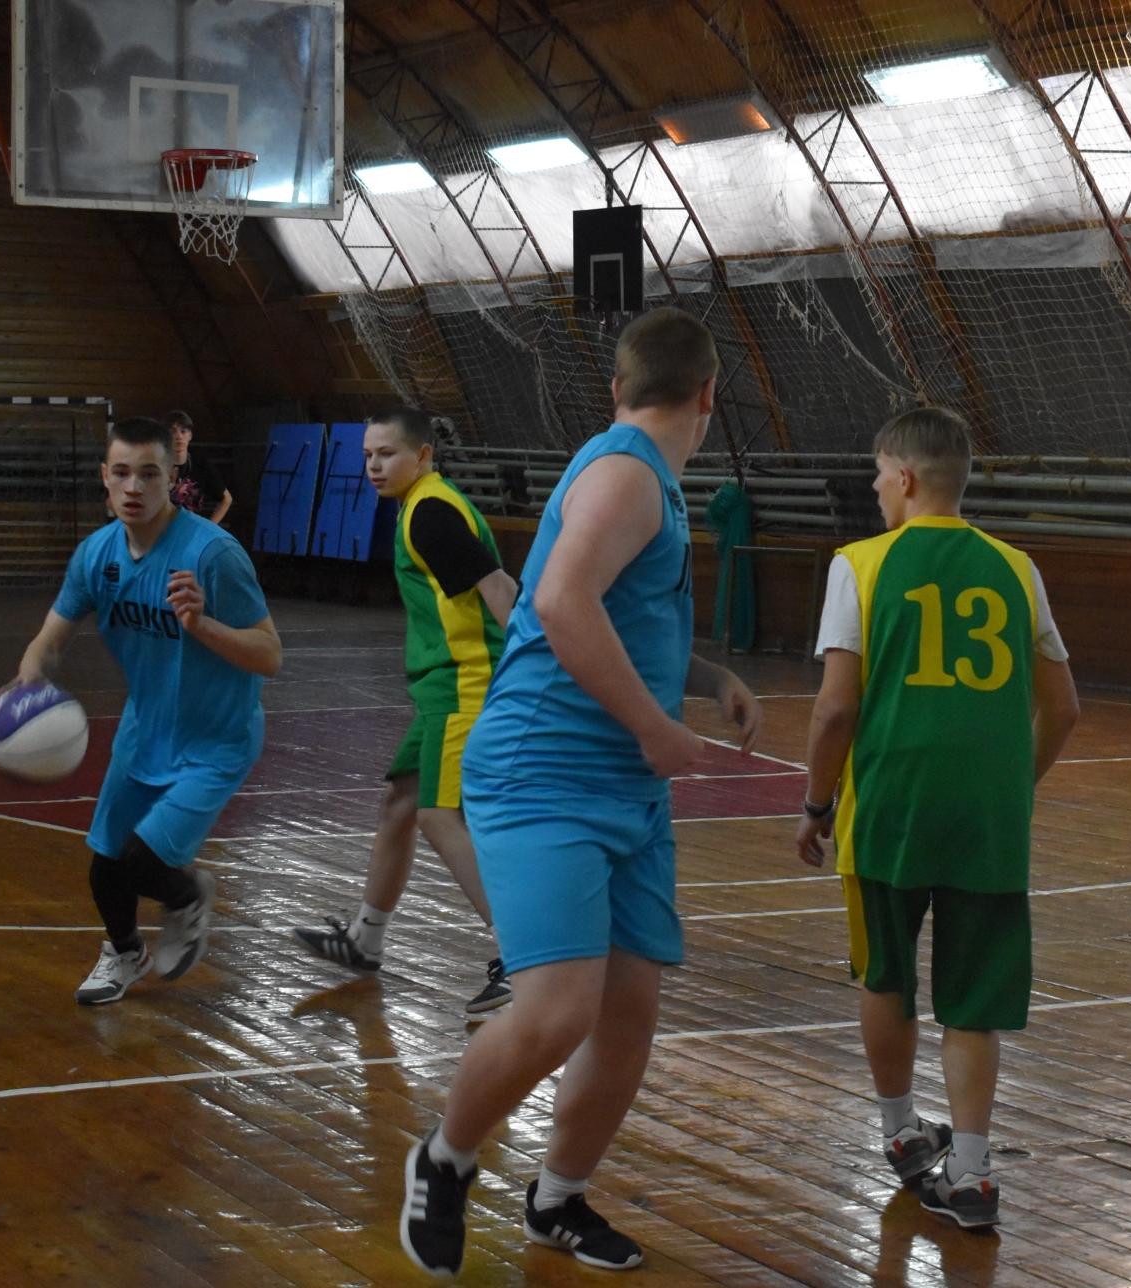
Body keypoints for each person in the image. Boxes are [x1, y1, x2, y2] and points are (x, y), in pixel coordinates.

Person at [399, 308, 763, 1276]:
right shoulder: (625, 474)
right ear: (710, 395)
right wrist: (653, 727)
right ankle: (444, 1158)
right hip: (544, 771)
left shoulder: (643, 480)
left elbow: (610, 611)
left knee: (628, 1013)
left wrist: (705, 679)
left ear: (617, 387)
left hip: (619, 785)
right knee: (558, 1007)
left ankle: (556, 1197)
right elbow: (559, 603)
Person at [794, 407, 1080, 1230]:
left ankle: (900, 1134)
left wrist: (817, 803)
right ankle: (973, 1173)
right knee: (974, 998)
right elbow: (1063, 708)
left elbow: (834, 710)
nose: (874, 486)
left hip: (891, 806)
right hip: (988, 816)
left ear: (907, 477)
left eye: (878, 473)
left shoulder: (860, 565)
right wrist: (1012, 785)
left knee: (884, 974)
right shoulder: (1017, 569)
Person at [9, 416, 281, 1006]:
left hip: (216, 740)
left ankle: (187, 895)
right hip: (144, 731)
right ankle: (125, 954)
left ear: (173, 479)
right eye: (123, 473)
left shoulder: (213, 555)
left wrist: (202, 625)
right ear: (104, 478)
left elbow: (270, 655)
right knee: (105, 865)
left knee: (143, 863)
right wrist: (29, 678)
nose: (134, 487)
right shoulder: (96, 555)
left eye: (150, 474)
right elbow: (50, 639)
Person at [292, 406, 519, 1015]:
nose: (373, 465)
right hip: (444, 686)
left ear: (422, 455)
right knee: (400, 803)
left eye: (387, 454)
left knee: (439, 816)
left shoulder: (430, 513)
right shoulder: (422, 505)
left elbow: (501, 589)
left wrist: (540, 668)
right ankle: (365, 940)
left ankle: (524, 954)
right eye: (367, 455)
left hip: (466, 683)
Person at [165, 409, 232, 525]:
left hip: (191, 530)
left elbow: (226, 499)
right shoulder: (157, 464)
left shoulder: (200, 464)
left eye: (183, 431)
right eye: (173, 431)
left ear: (190, 435)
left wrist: (209, 527)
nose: (178, 436)